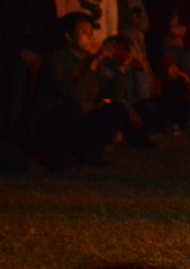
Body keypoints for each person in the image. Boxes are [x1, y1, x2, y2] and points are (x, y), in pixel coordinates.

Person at [30, 13, 129, 170]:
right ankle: (60, 159)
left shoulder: (90, 62)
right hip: (52, 126)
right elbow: (73, 96)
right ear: (69, 37)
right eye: (84, 33)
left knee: (117, 110)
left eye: (91, 33)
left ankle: (89, 155)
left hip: (78, 123)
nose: (89, 38)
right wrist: (94, 63)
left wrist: (121, 68)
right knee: (71, 111)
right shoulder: (58, 60)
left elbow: (112, 95)